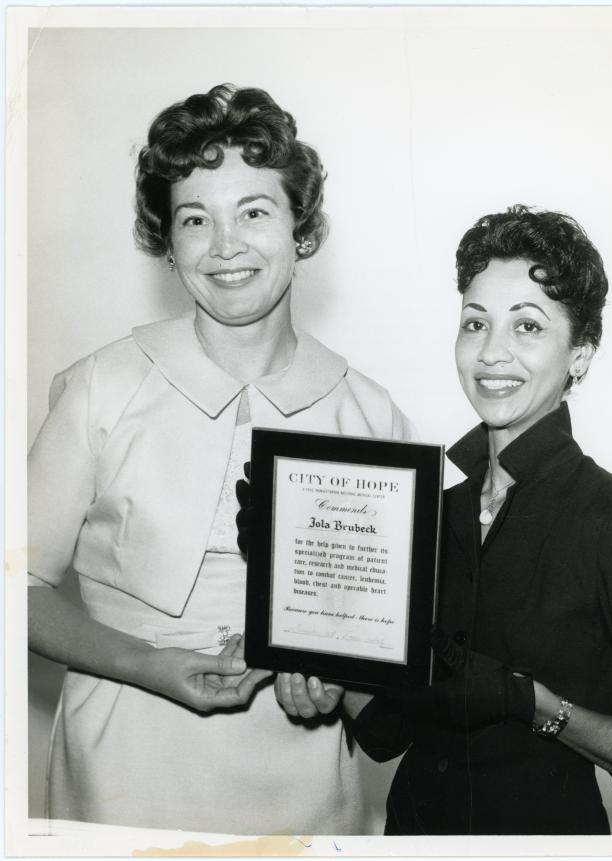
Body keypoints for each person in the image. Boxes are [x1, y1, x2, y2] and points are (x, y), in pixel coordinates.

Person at [28, 83, 415, 835]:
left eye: (255, 212)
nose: (226, 245)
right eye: (195, 219)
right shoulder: (100, 388)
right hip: (124, 772)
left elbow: (383, 640)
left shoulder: (369, 413)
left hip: (304, 785)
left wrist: (336, 678)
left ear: (301, 230)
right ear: (167, 244)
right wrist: (148, 664)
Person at [277, 206, 612, 834]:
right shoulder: (431, 513)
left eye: (527, 327)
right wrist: (325, 670)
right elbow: (388, 733)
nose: (492, 353)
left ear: (581, 354)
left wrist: (534, 703)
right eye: (475, 323)